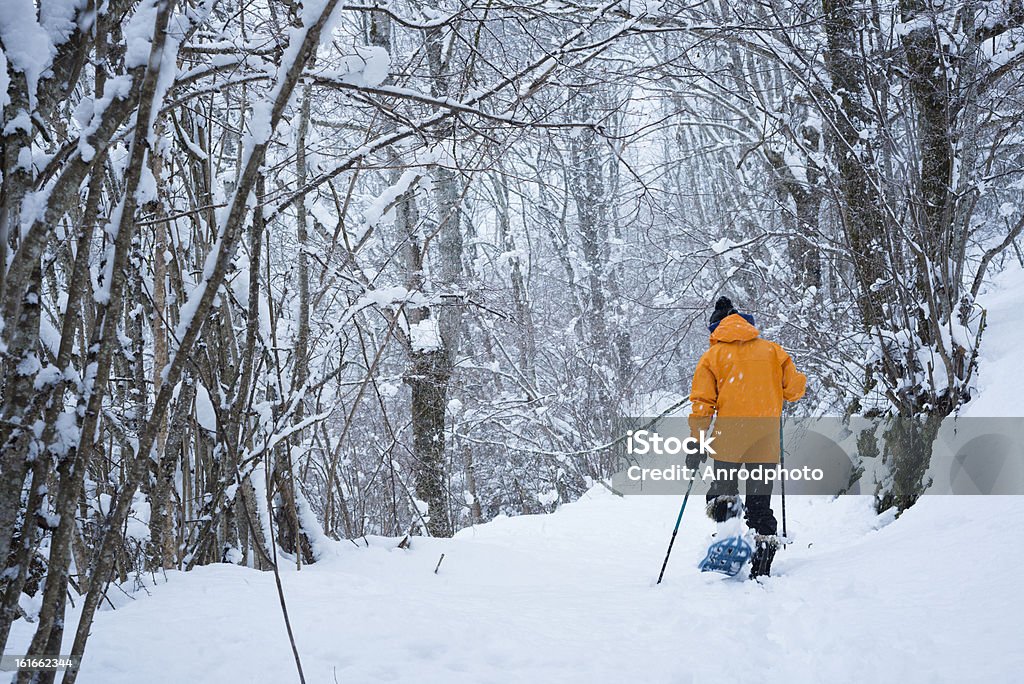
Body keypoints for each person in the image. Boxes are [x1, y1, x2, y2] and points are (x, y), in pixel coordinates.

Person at [685, 296, 806, 578]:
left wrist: (697, 442)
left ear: (715, 329)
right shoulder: (773, 351)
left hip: (729, 442)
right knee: (759, 504)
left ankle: (729, 545)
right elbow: (795, 390)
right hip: (764, 441)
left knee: (723, 495)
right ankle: (761, 564)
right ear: (746, 324)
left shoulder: (712, 357)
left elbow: (702, 404)